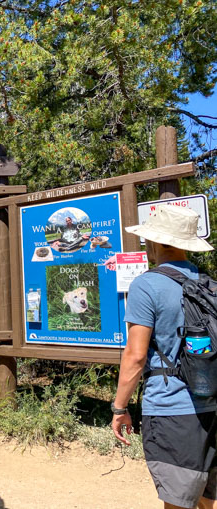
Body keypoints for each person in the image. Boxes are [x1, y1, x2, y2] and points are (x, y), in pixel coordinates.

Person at [112, 205, 216, 509]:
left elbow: (135, 355)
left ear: (158, 242)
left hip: (172, 410)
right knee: (209, 499)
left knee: (177, 502)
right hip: (212, 406)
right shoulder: (209, 285)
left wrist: (119, 408)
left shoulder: (147, 285)